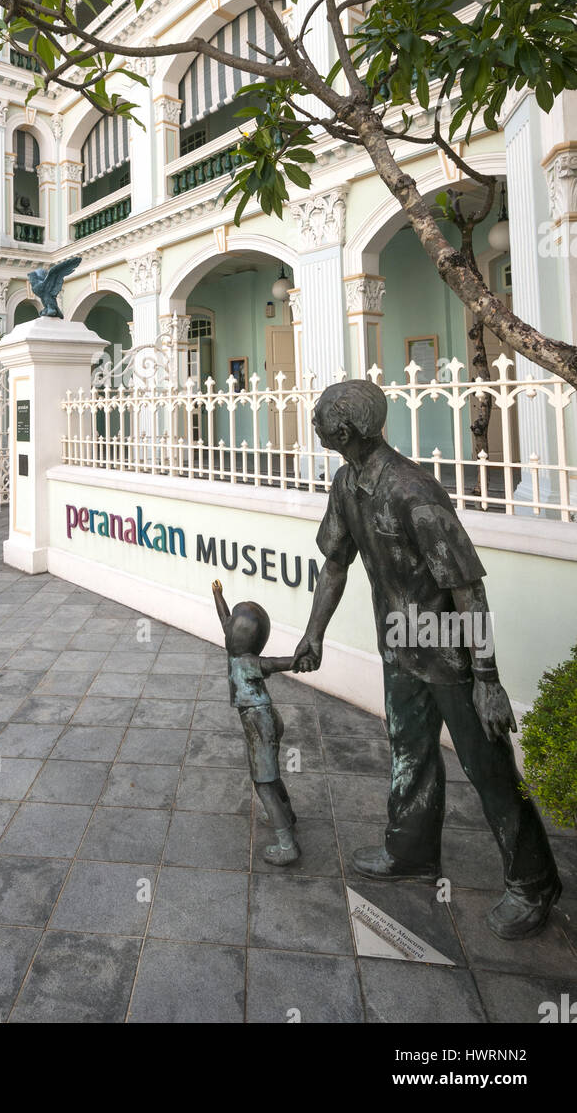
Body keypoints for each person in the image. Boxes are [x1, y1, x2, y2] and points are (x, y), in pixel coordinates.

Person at [289, 378, 561, 940]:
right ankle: (411, 850)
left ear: (347, 428)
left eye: (320, 416)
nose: (313, 422)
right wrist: (315, 633)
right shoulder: (347, 483)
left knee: (488, 769)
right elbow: (335, 564)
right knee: (409, 752)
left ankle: (533, 881)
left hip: (450, 651)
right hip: (400, 643)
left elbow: (467, 586)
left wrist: (487, 678)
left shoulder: (413, 490)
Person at [212, 579, 301, 865]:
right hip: (265, 720)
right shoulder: (236, 652)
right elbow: (224, 620)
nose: (227, 628)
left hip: (259, 724)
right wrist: (218, 595)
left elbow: (277, 663)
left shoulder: (247, 661)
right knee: (270, 776)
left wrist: (299, 659)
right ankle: (286, 814)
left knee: (263, 783)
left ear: (238, 637)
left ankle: (287, 845)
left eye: (232, 627)